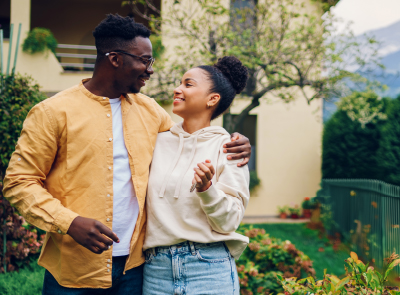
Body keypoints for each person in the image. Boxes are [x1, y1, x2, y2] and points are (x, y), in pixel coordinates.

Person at [2, 15, 251, 294]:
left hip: (137, 271)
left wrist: (234, 142)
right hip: (74, 270)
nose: (150, 70)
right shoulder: (52, 113)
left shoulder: (152, 112)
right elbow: (19, 183)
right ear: (115, 59)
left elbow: (192, 140)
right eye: (144, 60)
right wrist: (69, 223)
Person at [143, 56, 250, 295]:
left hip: (209, 268)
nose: (177, 89)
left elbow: (231, 221)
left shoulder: (229, 148)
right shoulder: (156, 141)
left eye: (188, 84)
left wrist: (207, 190)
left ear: (212, 99)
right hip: (156, 271)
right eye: (180, 83)